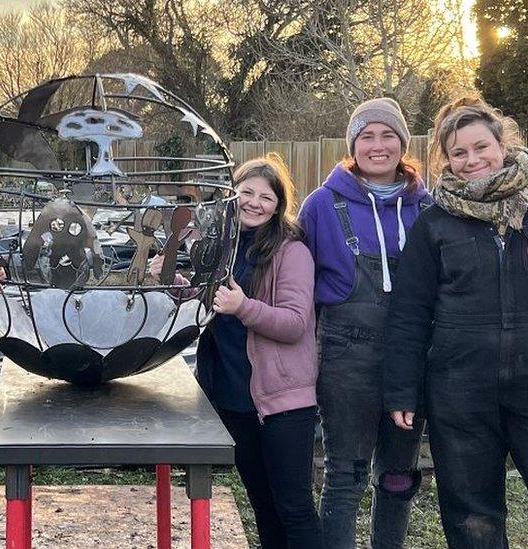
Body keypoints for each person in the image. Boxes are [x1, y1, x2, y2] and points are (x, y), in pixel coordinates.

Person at [384, 96, 528, 548]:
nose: (472, 160)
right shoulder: (435, 224)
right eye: (459, 152)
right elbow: (410, 314)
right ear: (447, 160)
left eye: (480, 147)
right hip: (460, 394)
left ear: (503, 143)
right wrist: (401, 388)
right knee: (473, 520)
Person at [153, 153, 322, 548]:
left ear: (279, 205)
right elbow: (212, 301)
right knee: (262, 502)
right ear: (232, 196)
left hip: (281, 403)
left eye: (266, 197)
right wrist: (176, 282)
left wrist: (243, 306)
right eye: (246, 192)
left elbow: (295, 323)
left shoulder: (290, 251)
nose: (254, 203)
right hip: (233, 395)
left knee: (293, 507)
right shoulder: (224, 248)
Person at [297, 97, 427, 548]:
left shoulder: (427, 209)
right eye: (367, 136)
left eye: (388, 134)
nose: (378, 145)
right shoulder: (320, 206)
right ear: (353, 145)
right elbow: (293, 282)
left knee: (396, 475)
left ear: (402, 143)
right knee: (346, 474)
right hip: (345, 357)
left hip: (411, 362)